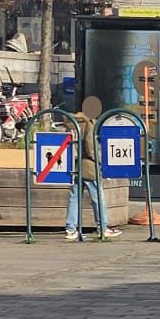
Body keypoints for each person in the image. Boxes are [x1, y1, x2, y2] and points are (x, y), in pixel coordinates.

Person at [65, 100, 119, 241]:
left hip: (75, 165)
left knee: (74, 197)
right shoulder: (89, 124)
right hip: (89, 166)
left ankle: (71, 229)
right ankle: (103, 227)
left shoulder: (72, 123)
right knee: (98, 197)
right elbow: (90, 147)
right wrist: (100, 161)